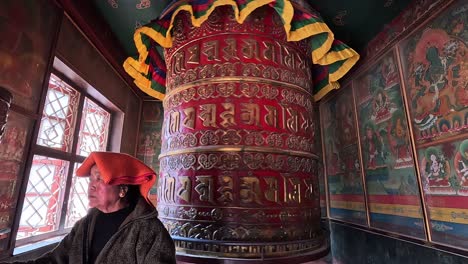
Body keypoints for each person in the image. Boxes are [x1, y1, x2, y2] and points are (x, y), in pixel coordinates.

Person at [5, 151, 176, 264]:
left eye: (99, 179)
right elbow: (56, 260)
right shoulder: (86, 223)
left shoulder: (150, 231)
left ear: (122, 190)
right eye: (90, 180)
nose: (91, 186)